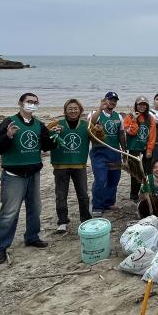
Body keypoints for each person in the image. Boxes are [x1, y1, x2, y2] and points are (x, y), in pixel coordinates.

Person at [0, 92, 58, 264]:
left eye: (35, 102)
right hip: (14, 175)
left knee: (35, 208)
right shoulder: (10, 122)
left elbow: (46, 146)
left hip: (33, 173)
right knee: (9, 212)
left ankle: (32, 237)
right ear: (20, 103)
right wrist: (8, 136)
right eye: (29, 101)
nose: (32, 105)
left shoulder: (39, 124)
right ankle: (0, 247)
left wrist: (54, 135)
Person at [50, 98, 91, 233]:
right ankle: (62, 222)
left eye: (75, 108)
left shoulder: (86, 125)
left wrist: (99, 130)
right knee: (61, 195)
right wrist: (53, 132)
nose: (73, 111)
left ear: (80, 110)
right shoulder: (56, 124)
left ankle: (85, 219)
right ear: (65, 111)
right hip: (60, 165)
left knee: (83, 194)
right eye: (70, 109)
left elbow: (99, 139)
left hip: (79, 165)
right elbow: (45, 138)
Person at [89, 91, 127, 217]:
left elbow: (121, 134)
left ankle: (109, 202)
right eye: (110, 99)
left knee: (113, 179)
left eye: (114, 100)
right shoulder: (96, 114)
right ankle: (97, 205)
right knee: (101, 179)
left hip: (115, 151)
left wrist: (124, 151)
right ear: (105, 100)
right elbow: (90, 124)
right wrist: (100, 109)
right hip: (99, 152)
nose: (112, 102)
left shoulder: (118, 117)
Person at [123, 96, 157, 203]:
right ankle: (134, 195)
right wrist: (134, 119)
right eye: (140, 104)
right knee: (135, 172)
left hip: (145, 149)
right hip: (134, 149)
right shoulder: (129, 117)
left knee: (147, 172)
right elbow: (131, 132)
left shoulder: (150, 118)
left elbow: (152, 135)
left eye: (144, 104)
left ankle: (148, 192)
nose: (142, 106)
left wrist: (149, 150)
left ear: (147, 106)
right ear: (136, 105)